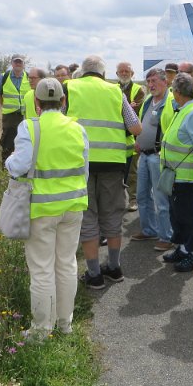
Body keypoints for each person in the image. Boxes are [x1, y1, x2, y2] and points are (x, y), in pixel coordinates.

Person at [5, 78, 89, 339]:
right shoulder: (78, 128)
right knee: (66, 265)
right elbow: (84, 168)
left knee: (42, 270)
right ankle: (65, 325)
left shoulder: (29, 127)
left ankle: (41, 331)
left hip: (41, 208)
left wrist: (8, 161)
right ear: (63, 101)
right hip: (74, 206)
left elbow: (18, 166)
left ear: (36, 102)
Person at [66, 55, 142, 289]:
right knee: (112, 217)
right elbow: (136, 127)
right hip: (113, 164)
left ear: (83, 71)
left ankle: (94, 273)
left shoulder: (69, 88)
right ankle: (115, 267)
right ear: (103, 72)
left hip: (81, 164)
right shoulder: (115, 92)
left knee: (88, 218)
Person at [159, 72, 193, 272]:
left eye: (172, 91)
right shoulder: (183, 110)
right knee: (176, 214)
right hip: (174, 175)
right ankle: (182, 248)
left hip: (185, 178)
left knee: (188, 215)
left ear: (178, 93)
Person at [132, 68, 174, 252]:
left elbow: (172, 131)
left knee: (161, 199)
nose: (151, 85)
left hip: (158, 156)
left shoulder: (171, 102)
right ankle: (149, 230)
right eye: (148, 81)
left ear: (166, 82)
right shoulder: (149, 100)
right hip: (144, 154)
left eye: (154, 81)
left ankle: (167, 236)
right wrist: (138, 141)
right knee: (142, 195)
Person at [117, 62, 145, 212]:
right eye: (121, 71)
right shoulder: (113, 89)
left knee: (132, 171)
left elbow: (137, 109)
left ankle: (133, 200)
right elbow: (127, 109)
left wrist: (124, 108)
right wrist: (128, 105)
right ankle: (119, 201)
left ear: (132, 73)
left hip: (132, 137)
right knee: (116, 171)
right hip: (115, 137)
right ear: (116, 74)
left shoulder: (138, 89)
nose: (124, 73)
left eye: (126, 71)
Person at [0, 54, 30, 166]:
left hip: (26, 115)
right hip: (10, 116)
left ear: (24, 64)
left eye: (20, 62)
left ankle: (22, 166)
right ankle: (6, 166)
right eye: (16, 62)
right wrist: (4, 105)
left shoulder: (28, 77)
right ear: (12, 63)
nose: (18, 64)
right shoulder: (4, 76)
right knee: (8, 142)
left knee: (25, 141)